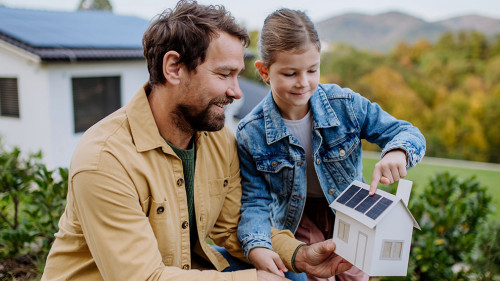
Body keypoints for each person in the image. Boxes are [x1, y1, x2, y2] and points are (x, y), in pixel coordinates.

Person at [41, 1, 353, 280]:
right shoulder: (105, 160)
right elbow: (143, 278)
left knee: (290, 274)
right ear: (174, 68)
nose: (237, 91)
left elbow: (233, 226)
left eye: (237, 75)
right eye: (224, 75)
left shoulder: (217, 140)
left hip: (184, 271)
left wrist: (298, 254)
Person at [236, 8, 426, 281]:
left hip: (352, 211)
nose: (304, 82)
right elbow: (255, 200)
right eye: (290, 74)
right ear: (264, 71)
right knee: (316, 272)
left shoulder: (345, 105)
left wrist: (398, 151)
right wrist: (256, 243)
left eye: (312, 70)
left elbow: (407, 132)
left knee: (355, 274)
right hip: (297, 219)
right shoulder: (250, 133)